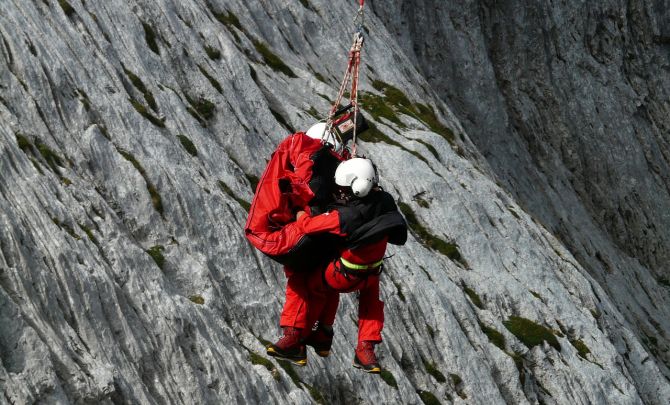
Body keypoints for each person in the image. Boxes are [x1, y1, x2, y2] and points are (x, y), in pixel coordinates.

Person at [266, 158, 407, 373]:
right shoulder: (385, 200)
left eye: (343, 189)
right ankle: (364, 348)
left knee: (303, 279)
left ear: (356, 188)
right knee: (370, 302)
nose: (339, 193)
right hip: (371, 273)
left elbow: (308, 226)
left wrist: (299, 211)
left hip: (342, 276)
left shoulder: (346, 216)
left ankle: (295, 338)